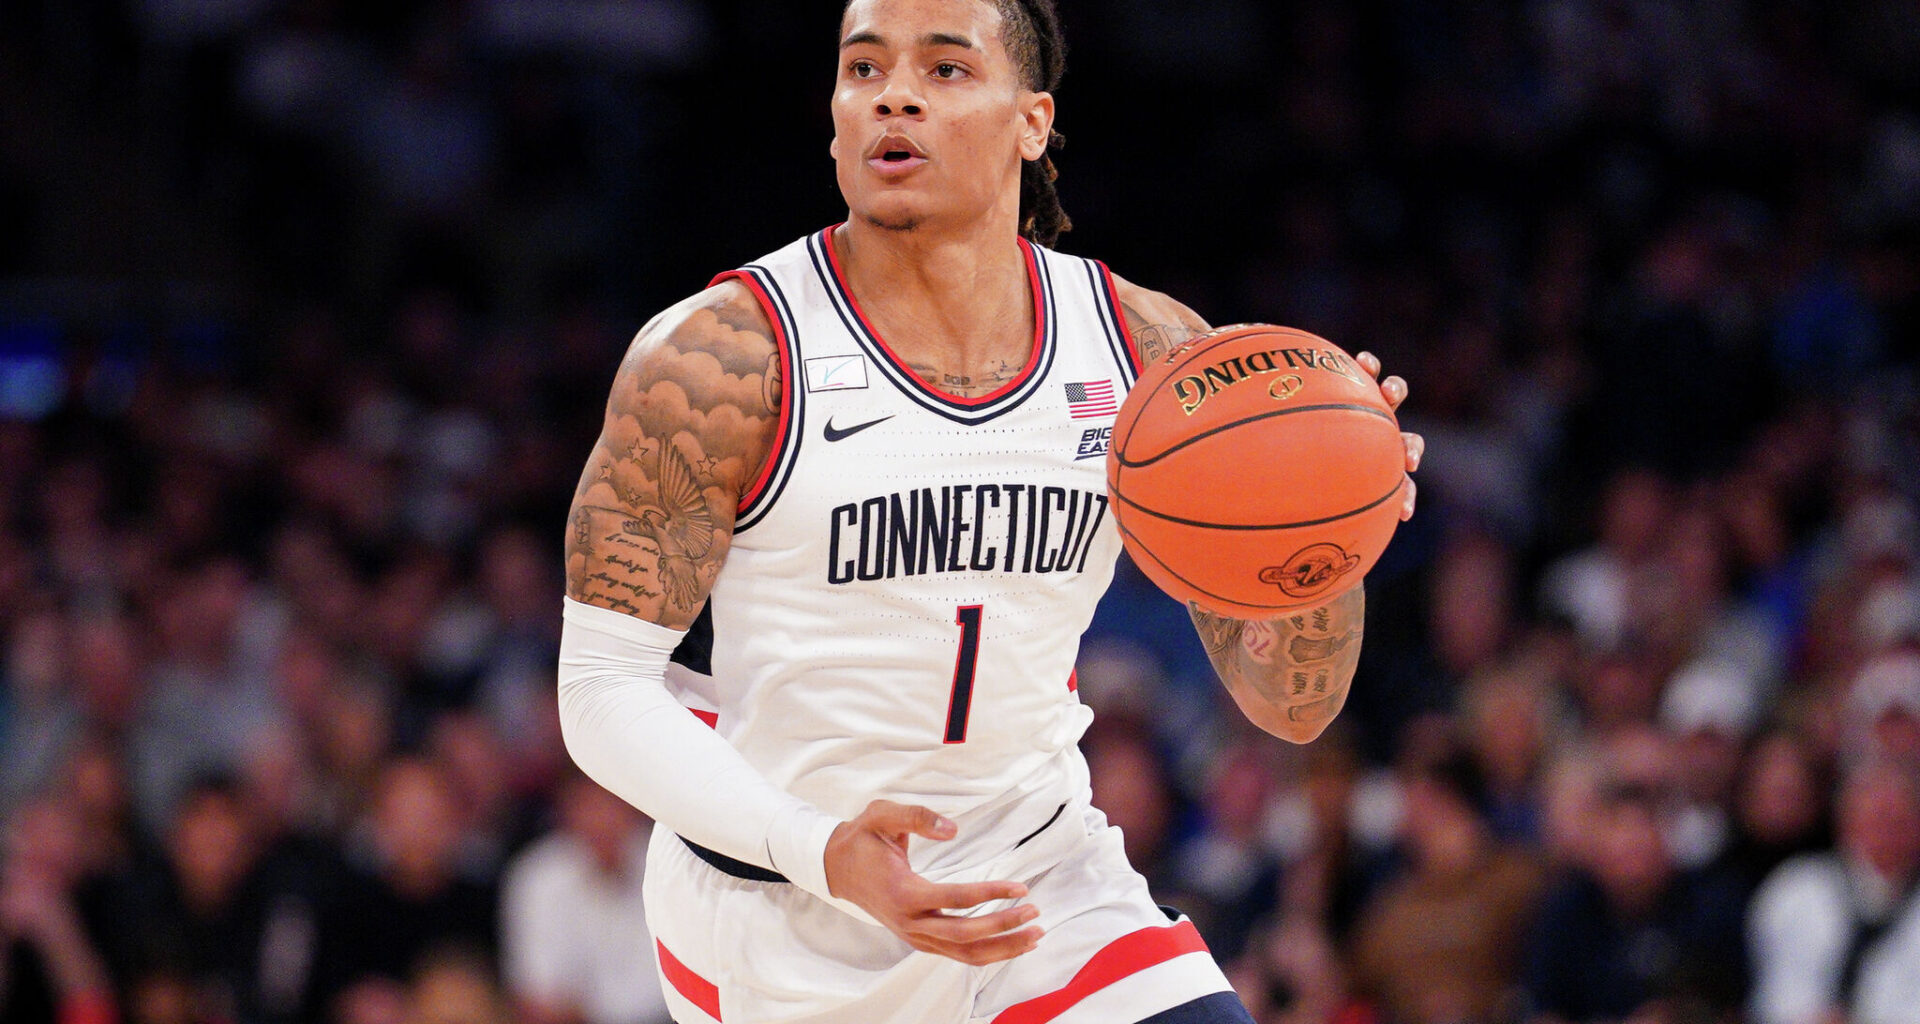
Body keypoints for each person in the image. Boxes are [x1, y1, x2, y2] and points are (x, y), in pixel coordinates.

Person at [556, 1, 1421, 1021]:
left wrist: (1320, 523)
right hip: (785, 904)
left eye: (947, 68)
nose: (896, 93)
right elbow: (601, 691)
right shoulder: (719, 357)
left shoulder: (1149, 355)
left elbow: (1293, 704)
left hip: (1040, 872)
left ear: (1033, 121)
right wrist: (821, 848)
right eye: (863, 67)